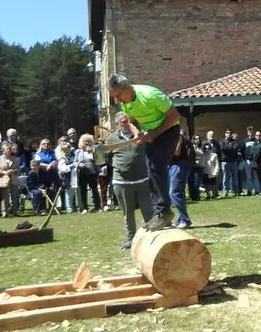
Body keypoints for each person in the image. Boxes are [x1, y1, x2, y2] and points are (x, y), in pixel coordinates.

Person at [108, 73, 182, 231]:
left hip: (168, 130)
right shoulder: (126, 103)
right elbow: (132, 121)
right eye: (115, 97)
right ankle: (160, 213)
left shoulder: (150, 95)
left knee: (157, 167)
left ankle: (164, 212)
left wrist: (154, 133)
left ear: (127, 88)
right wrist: (137, 133)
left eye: (119, 95)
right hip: (151, 133)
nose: (118, 100)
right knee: (150, 171)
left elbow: (175, 117)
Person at [106, 111, 153, 248]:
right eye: (123, 123)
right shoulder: (111, 138)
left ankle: (152, 236)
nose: (126, 125)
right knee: (128, 212)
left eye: (128, 122)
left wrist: (134, 128)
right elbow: (108, 157)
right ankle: (131, 238)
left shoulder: (140, 135)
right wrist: (120, 167)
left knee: (148, 209)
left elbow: (146, 146)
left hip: (142, 179)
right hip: (122, 181)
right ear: (118, 124)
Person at [169, 131, 194, 228]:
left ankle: (185, 219)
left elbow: (177, 152)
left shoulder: (177, 136)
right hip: (176, 165)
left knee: (174, 192)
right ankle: (181, 219)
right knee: (179, 193)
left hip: (180, 165)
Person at [75, 135, 102, 212]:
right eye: (85, 141)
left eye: (89, 141)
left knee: (95, 190)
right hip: (82, 173)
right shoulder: (78, 151)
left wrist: (92, 152)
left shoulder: (94, 151)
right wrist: (80, 165)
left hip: (93, 172)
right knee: (82, 191)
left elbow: (98, 161)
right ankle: (83, 208)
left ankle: (98, 206)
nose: (87, 143)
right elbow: (75, 162)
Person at [0, 142, 20, 216]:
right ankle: (5, 212)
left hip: (13, 179)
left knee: (14, 196)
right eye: (7, 149)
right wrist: (3, 172)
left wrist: (14, 171)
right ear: (3, 150)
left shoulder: (15, 159)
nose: (9, 151)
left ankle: (15, 211)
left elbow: (19, 169)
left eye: (10, 149)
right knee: (5, 197)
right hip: (3, 180)